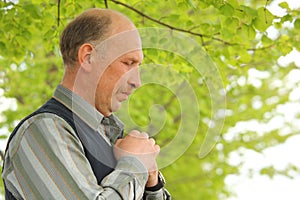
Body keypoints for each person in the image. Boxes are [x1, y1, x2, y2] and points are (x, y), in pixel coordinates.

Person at [2, 8, 171, 199]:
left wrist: (152, 186)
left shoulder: (110, 138)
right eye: (128, 63)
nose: (136, 82)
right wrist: (135, 165)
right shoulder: (42, 129)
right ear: (88, 57)